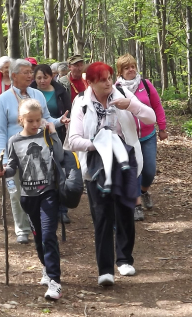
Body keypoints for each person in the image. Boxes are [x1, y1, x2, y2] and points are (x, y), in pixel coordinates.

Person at [67, 62, 155, 287]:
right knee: (103, 216)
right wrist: (100, 144)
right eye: (103, 80)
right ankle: (105, 270)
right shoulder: (82, 103)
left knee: (126, 211)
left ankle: (124, 259)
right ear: (91, 83)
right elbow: (74, 140)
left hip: (125, 163)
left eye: (109, 78)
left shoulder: (122, 95)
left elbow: (150, 118)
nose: (108, 83)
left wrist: (132, 107)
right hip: (97, 166)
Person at [0, 59, 70, 244]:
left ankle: (38, 223)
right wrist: (3, 156)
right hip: (14, 153)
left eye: (31, 72)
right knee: (15, 190)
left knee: (39, 189)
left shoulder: (37, 95)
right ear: (13, 76)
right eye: (26, 72)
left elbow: (45, 119)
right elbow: (0, 130)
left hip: (38, 150)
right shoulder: (3, 99)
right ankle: (22, 229)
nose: (30, 76)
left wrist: (59, 121)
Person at [0, 99, 64, 301]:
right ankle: (45, 266)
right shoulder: (14, 141)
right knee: (39, 238)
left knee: (49, 235)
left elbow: (60, 157)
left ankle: (55, 281)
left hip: (49, 193)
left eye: (38, 120)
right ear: (21, 120)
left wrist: (53, 133)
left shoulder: (47, 135)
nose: (35, 124)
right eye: (30, 121)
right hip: (28, 197)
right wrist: (2, 171)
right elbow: (12, 168)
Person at [115, 54, 167, 221]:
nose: (131, 70)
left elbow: (157, 105)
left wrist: (162, 127)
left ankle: (143, 191)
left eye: (132, 66)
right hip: (128, 137)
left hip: (148, 135)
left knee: (149, 170)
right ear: (120, 71)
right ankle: (136, 204)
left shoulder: (145, 84)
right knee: (133, 170)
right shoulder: (116, 88)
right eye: (126, 67)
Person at [30, 63, 72, 223]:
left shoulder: (60, 91)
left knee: (60, 172)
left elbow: (68, 110)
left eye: (45, 77)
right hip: (35, 138)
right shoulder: (29, 93)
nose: (42, 81)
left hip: (57, 135)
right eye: (39, 77)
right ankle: (45, 208)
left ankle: (62, 209)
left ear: (52, 77)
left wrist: (64, 122)